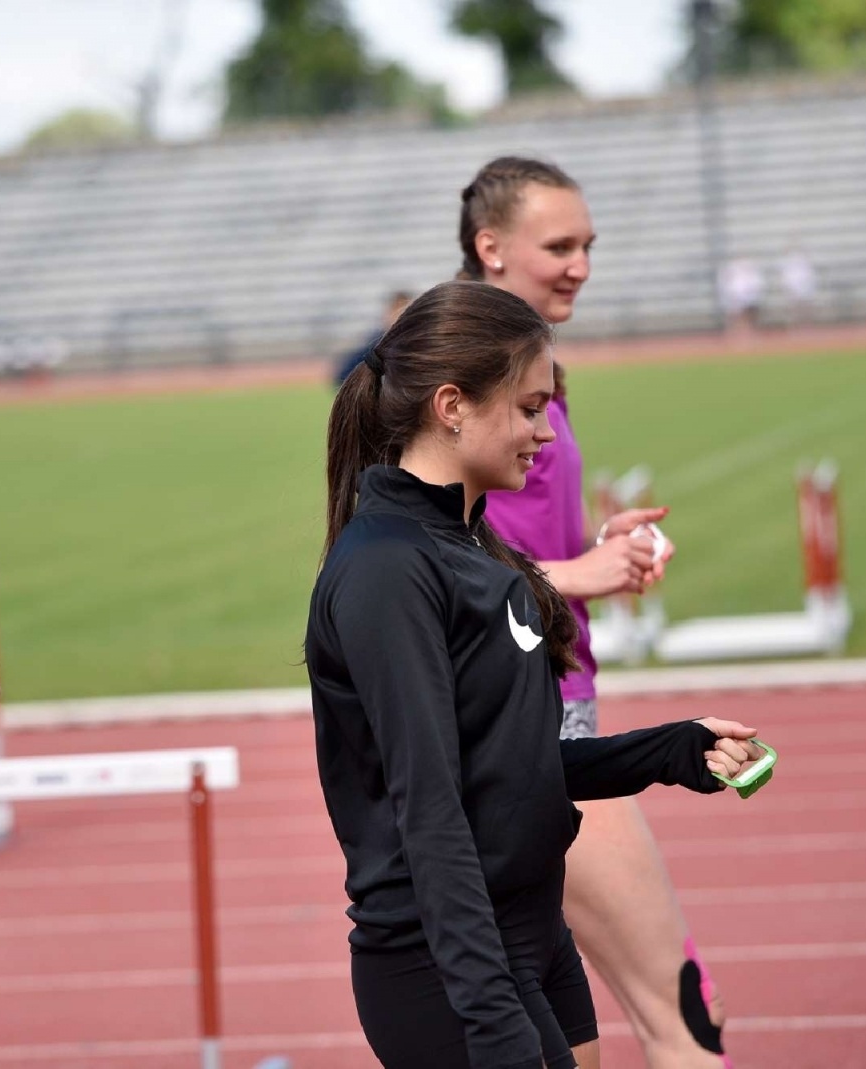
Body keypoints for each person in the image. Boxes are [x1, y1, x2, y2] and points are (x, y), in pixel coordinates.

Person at [307, 279, 767, 1069]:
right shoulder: (388, 569)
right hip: (449, 967)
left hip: (533, 935)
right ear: (452, 406)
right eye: (528, 409)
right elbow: (431, 805)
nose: (546, 434)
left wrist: (671, 751)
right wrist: (490, 1016)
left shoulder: (477, 548)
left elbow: (511, 767)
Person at [459, 155, 735, 1067]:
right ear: (489, 247)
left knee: (559, 1032)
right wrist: (577, 573)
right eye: (559, 245)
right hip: (528, 729)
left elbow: (528, 525)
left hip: (558, 703)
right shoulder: (459, 373)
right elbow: (426, 555)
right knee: (678, 1008)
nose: (580, 264)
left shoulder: (536, 361)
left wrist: (602, 544)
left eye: (589, 245)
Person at [334, 289, 414, 386]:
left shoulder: (418, 345)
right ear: (388, 313)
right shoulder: (373, 345)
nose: (398, 317)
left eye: (404, 312)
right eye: (396, 311)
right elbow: (343, 376)